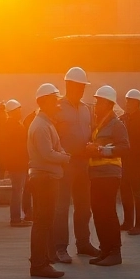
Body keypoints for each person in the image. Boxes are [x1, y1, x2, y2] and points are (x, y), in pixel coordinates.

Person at [52, 66, 96, 262]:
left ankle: (83, 244)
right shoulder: (57, 108)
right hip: (65, 164)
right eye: (79, 86)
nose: (82, 90)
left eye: (83, 86)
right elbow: (50, 134)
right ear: (68, 85)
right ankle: (60, 248)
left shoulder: (87, 109)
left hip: (83, 163)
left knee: (84, 206)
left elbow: (91, 131)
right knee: (61, 208)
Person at [27, 83, 70, 279]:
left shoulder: (46, 123)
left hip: (47, 178)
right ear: (43, 102)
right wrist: (64, 157)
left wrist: (60, 153)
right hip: (44, 179)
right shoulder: (41, 125)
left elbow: (54, 149)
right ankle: (39, 264)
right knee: (42, 222)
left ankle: (41, 260)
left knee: (44, 221)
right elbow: (47, 153)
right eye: (54, 100)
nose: (57, 103)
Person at [85, 85, 129, 267]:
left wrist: (102, 150)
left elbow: (125, 148)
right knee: (98, 212)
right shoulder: (99, 123)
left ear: (108, 104)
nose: (96, 105)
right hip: (96, 174)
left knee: (108, 213)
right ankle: (105, 250)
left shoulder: (117, 124)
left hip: (109, 174)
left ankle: (115, 252)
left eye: (99, 102)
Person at [118, 89, 140, 236]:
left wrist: (134, 150)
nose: (128, 104)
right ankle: (128, 222)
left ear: (137, 104)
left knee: (137, 192)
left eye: (131, 102)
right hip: (124, 161)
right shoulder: (124, 118)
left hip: (136, 161)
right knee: (124, 191)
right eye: (127, 101)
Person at [2, 99, 32, 227]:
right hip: (19, 164)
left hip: (15, 163)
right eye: (19, 110)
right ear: (14, 111)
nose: (21, 112)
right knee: (17, 191)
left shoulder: (8, 125)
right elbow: (22, 146)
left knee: (17, 191)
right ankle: (16, 219)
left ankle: (18, 216)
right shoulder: (16, 126)